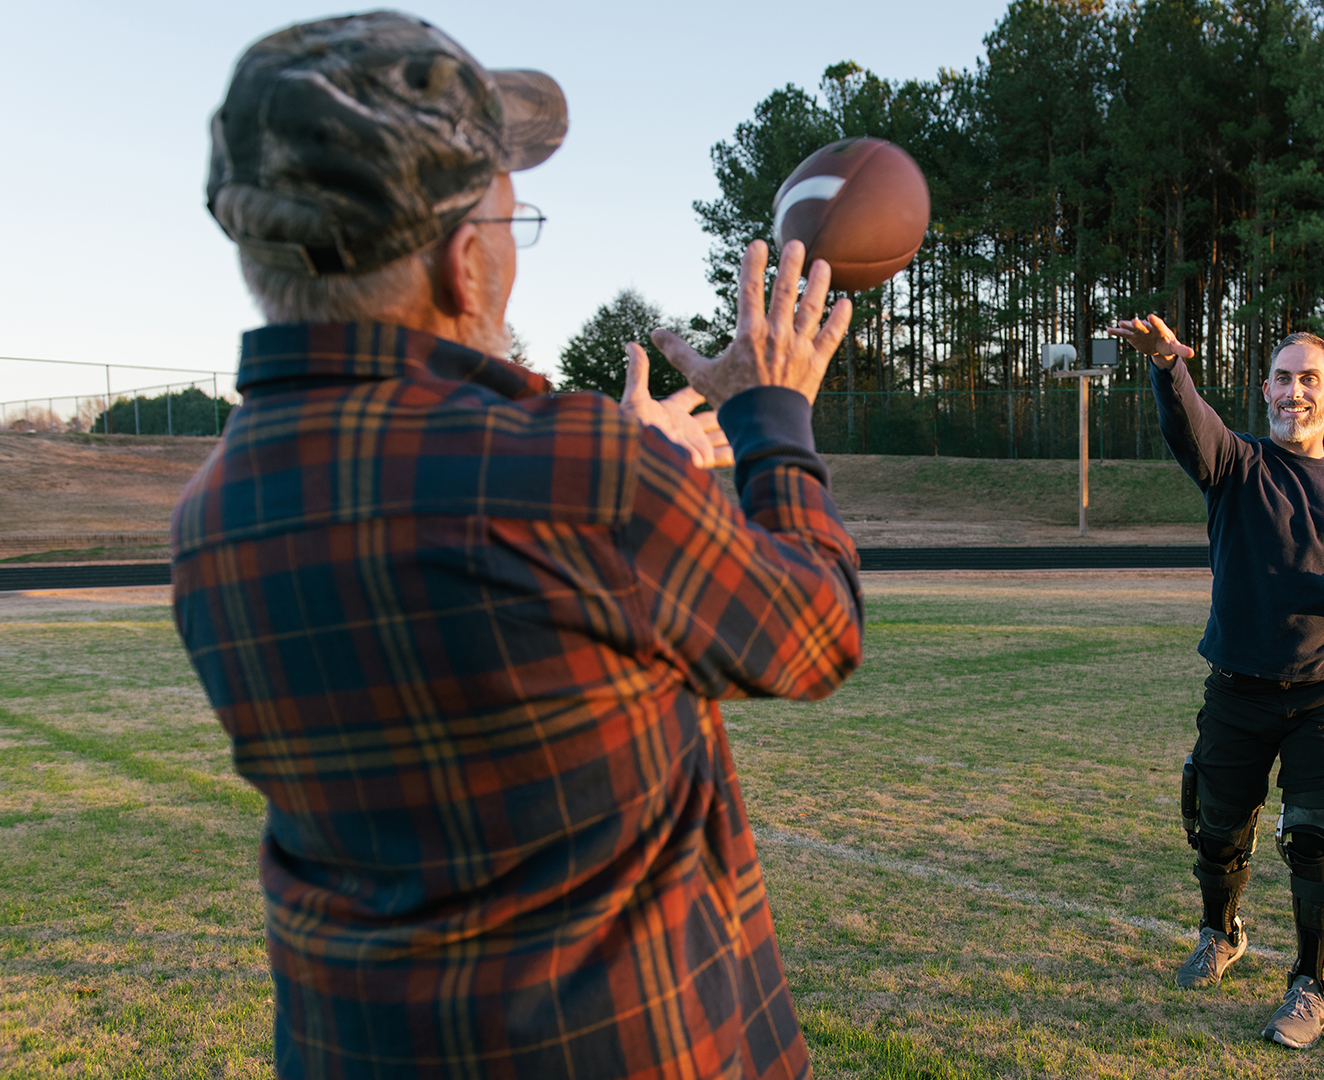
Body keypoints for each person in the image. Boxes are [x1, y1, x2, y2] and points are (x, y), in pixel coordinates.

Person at [173, 12, 862, 1079]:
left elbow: (481, 578)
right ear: (464, 265)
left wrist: (624, 472)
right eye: (514, 216)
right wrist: (774, 416)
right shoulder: (570, 480)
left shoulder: (215, 512)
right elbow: (814, 632)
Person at [1106, 315, 1324, 1050]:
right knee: (1216, 826)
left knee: (1319, 840)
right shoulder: (1237, 466)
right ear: (1266, 390)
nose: (1295, 392)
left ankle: (1311, 986)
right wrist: (1168, 365)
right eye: (1283, 379)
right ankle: (1220, 934)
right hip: (1238, 685)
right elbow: (1189, 427)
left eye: (1309, 379)